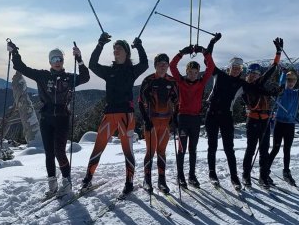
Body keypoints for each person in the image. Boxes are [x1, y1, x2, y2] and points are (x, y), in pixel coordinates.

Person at [7, 40, 90, 197]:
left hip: (62, 118)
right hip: (46, 118)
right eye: (54, 59)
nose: (57, 62)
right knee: (49, 153)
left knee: (59, 151)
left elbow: (85, 77)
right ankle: (52, 184)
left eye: (59, 59)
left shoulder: (68, 78)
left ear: (63, 61)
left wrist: (79, 59)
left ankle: (66, 181)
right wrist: (15, 52)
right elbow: (21, 67)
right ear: (49, 61)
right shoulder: (42, 76)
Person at [81, 32, 148, 195]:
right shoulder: (108, 70)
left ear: (126, 52)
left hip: (126, 115)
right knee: (98, 146)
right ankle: (88, 178)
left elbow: (145, 64)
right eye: (114, 48)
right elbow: (92, 64)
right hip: (109, 114)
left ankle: (129, 181)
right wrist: (100, 44)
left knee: (127, 149)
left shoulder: (132, 71)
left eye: (119, 48)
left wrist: (139, 46)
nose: (115, 50)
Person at [204, 34, 271, 190]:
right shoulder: (218, 75)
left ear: (241, 70)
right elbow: (208, 58)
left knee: (229, 148)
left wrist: (272, 92)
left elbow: (258, 86)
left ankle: (234, 177)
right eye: (234, 68)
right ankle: (212, 173)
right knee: (212, 146)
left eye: (239, 68)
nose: (235, 70)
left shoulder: (241, 83)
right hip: (212, 114)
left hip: (227, 116)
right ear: (229, 68)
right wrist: (212, 42)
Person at [170, 41, 215, 189]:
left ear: (198, 73)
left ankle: (192, 176)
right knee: (181, 150)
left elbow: (211, 68)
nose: (193, 75)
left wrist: (205, 52)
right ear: (187, 72)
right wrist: (181, 53)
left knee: (193, 150)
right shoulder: (180, 81)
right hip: (183, 118)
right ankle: (180, 176)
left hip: (195, 119)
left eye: (196, 73)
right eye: (190, 72)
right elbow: (172, 66)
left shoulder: (201, 83)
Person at [241, 38, 283, 189]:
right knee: (251, 149)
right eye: (252, 73)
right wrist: (267, 90)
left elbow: (272, 69)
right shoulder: (246, 86)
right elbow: (250, 96)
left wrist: (275, 91)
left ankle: (263, 176)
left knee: (264, 150)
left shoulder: (261, 85)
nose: (254, 75)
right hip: (252, 121)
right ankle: (246, 175)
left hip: (265, 121)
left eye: (257, 73)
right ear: (248, 74)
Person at [267, 69, 299, 186]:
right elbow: (281, 84)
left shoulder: (297, 93)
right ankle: (265, 171)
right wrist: (284, 74)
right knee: (275, 149)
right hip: (279, 123)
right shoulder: (282, 91)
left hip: (290, 125)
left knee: (287, 150)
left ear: (295, 82)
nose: (290, 82)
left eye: (293, 80)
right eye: (289, 80)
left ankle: (286, 172)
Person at [139, 53, 178, 194]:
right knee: (150, 151)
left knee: (161, 151)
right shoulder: (148, 80)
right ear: (155, 65)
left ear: (168, 65)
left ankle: (162, 180)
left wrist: (175, 119)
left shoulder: (172, 81)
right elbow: (140, 102)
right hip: (152, 122)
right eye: (160, 63)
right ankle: (147, 179)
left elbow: (177, 101)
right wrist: (146, 120)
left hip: (166, 122)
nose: (163, 66)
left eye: (165, 64)